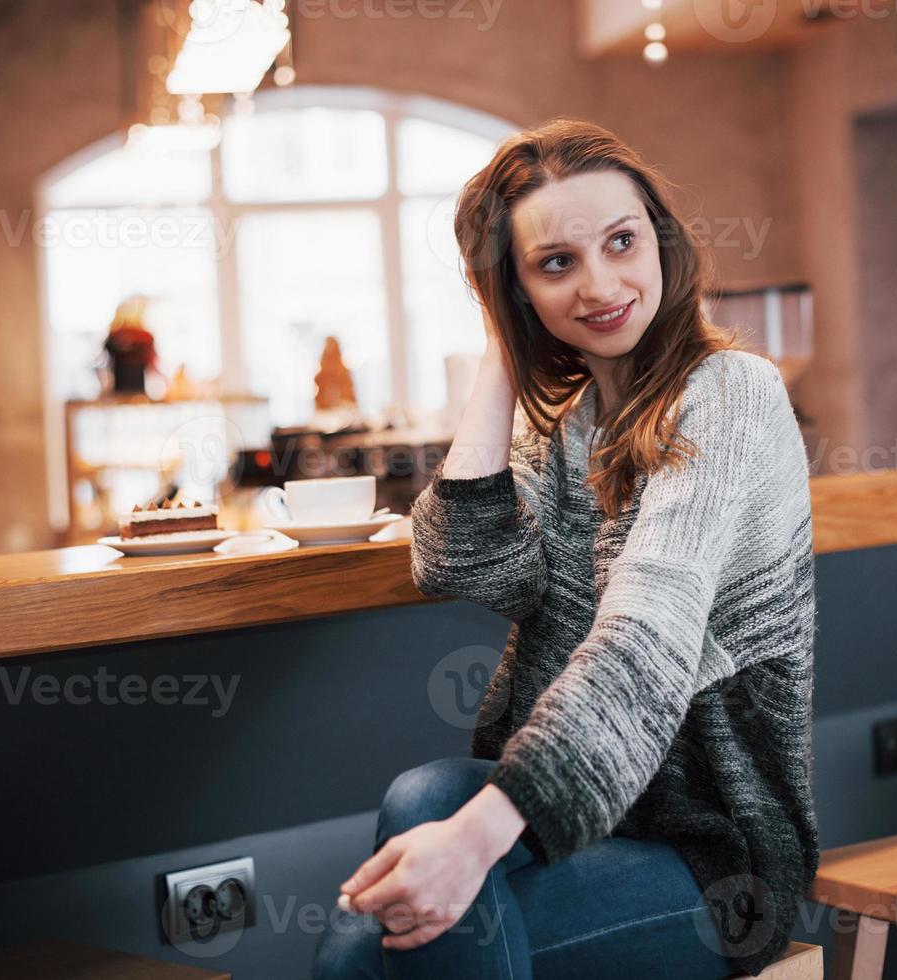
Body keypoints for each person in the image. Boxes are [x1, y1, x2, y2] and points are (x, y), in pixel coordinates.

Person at [311, 120, 818, 979]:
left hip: (714, 857)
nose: (600, 284)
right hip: (563, 821)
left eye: (621, 242)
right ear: (519, 289)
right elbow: (464, 566)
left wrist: (477, 839)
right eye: (554, 265)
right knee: (422, 793)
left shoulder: (731, 395)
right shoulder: (565, 423)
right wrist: (501, 356)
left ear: (657, 239)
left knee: (361, 958)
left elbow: (643, 642)